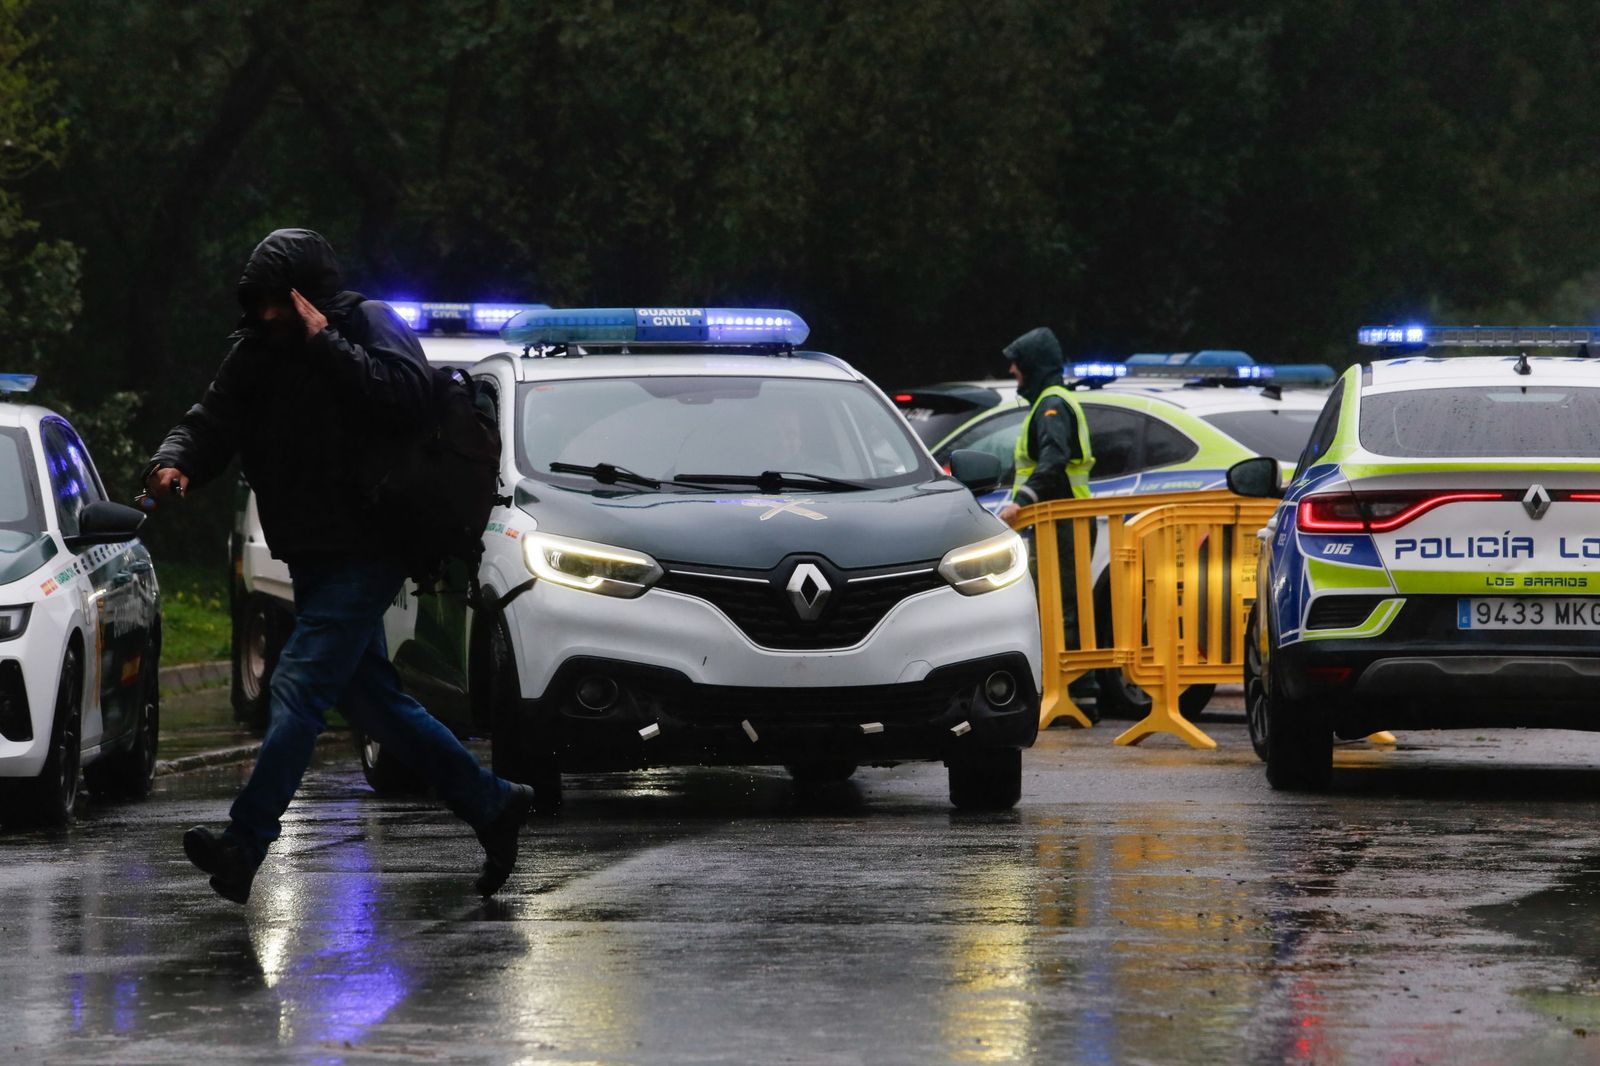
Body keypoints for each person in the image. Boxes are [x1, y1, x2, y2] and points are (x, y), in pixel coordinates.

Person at [144, 228, 533, 904]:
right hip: (313, 553)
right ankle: (494, 803)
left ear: (308, 296)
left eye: (279, 302)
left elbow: (407, 393)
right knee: (374, 702)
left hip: (373, 544)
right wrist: (174, 460)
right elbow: (212, 418)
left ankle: (245, 843)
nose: (267, 315)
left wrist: (327, 342)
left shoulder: (366, 324)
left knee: (296, 683)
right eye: (257, 302)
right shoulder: (257, 351)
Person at [994, 327, 1097, 701]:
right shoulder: (1051, 402)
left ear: (1033, 365)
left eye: (1017, 363)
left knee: (1061, 604)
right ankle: (1079, 693)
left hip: (1062, 520)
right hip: (1061, 520)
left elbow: (1054, 458)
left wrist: (1021, 499)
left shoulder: (1052, 405)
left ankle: (1071, 693)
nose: (1012, 371)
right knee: (1064, 603)